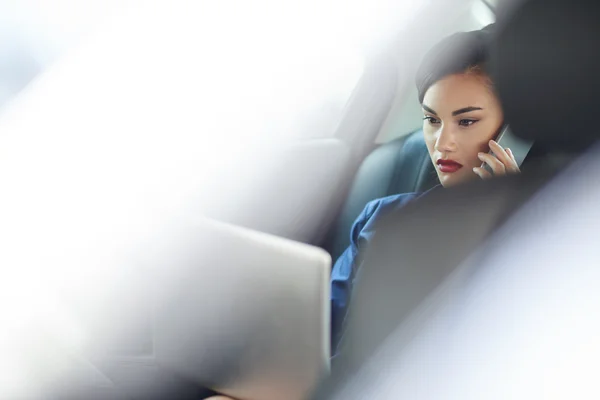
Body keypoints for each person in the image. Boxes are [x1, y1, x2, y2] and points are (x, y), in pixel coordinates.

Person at [330, 25, 521, 355]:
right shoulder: (379, 216)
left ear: (509, 131)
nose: (442, 144)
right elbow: (321, 334)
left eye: (466, 121)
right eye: (432, 120)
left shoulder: (531, 242)